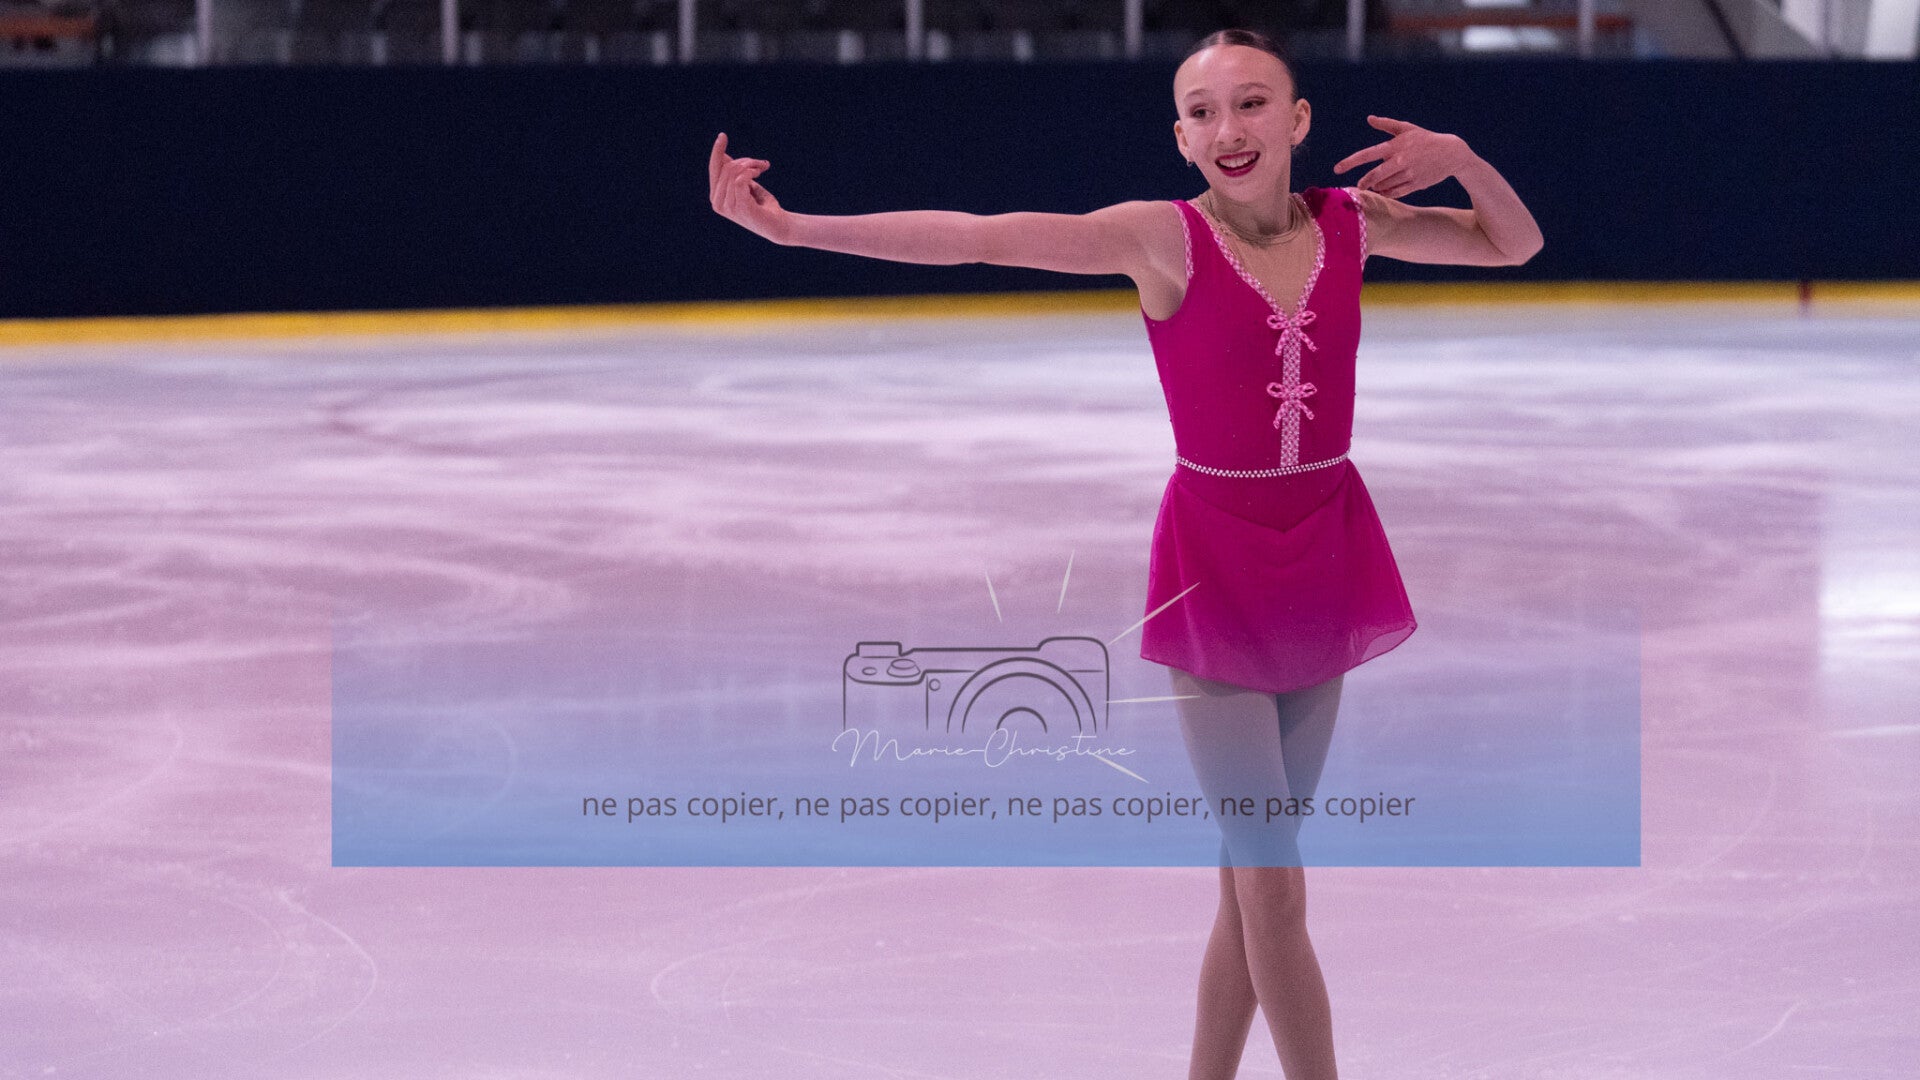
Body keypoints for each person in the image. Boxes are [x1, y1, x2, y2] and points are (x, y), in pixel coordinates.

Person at [708, 27, 1543, 1080]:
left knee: (1253, 879)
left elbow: (1512, 244)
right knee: (1272, 883)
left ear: (1297, 120)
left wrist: (1461, 157)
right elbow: (979, 238)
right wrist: (792, 230)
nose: (1227, 128)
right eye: (1202, 112)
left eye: (1251, 103)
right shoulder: (1161, 239)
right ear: (1181, 137)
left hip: (1325, 553)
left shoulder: (1353, 222)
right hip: (1217, 568)